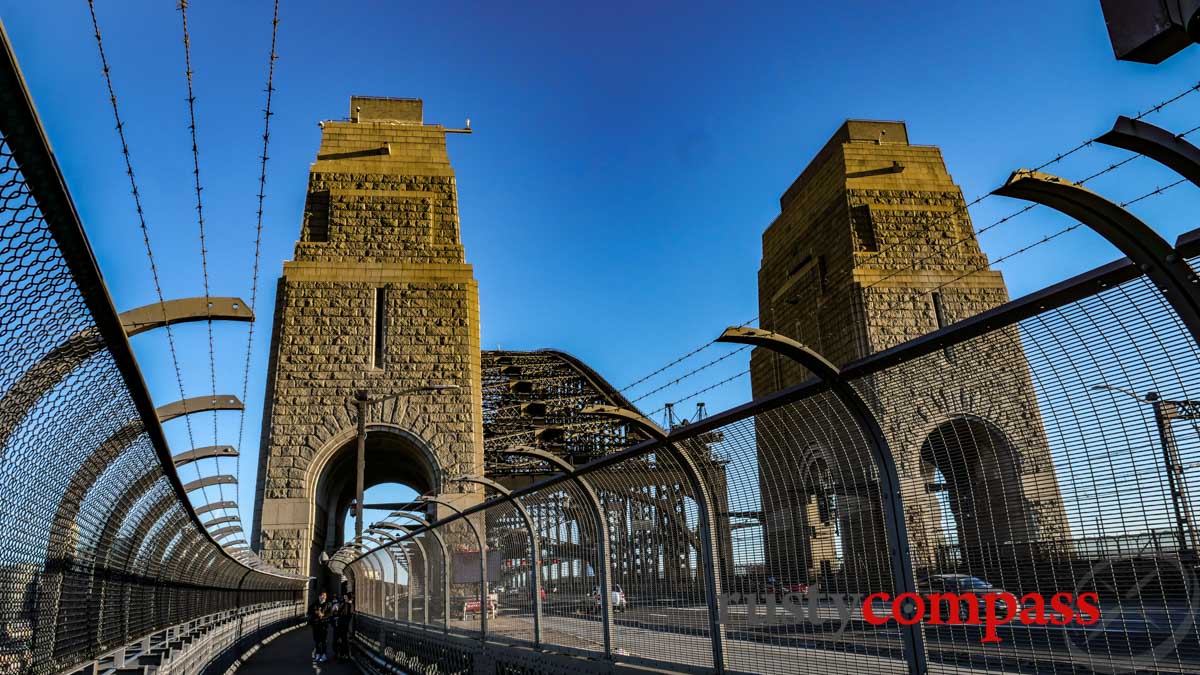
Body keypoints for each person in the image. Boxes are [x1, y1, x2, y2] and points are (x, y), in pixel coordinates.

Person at [308, 590, 332, 662]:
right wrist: (316, 612)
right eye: (322, 596)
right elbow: (309, 611)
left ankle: (324, 654)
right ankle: (318, 654)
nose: (323, 597)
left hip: (324, 624)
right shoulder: (315, 604)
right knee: (317, 640)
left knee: (324, 640)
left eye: (324, 596)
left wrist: (323, 615)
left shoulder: (328, 604)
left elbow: (330, 614)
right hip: (316, 624)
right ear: (319, 596)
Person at [333, 591, 354, 659]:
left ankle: (344, 655)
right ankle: (343, 654)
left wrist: (337, 612)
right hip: (342, 625)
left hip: (343, 625)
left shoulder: (348, 605)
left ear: (348, 598)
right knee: (342, 640)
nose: (344, 598)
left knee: (343, 640)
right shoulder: (346, 604)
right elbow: (341, 613)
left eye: (346, 597)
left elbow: (346, 616)